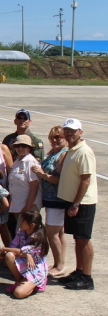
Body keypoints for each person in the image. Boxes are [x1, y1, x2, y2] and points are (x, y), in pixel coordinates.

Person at [56, 118, 97, 291]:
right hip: (72, 201)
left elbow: (86, 180)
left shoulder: (84, 151)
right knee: (77, 239)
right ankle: (79, 271)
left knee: (83, 239)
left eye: (73, 130)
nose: (69, 133)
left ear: (81, 132)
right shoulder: (71, 150)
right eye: (67, 130)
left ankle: (87, 278)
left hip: (82, 203)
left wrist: (76, 203)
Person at [31, 125, 69, 277]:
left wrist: (42, 175)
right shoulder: (54, 153)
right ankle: (60, 261)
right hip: (50, 199)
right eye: (52, 137)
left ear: (65, 138)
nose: (55, 140)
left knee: (51, 232)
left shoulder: (63, 155)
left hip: (57, 199)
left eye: (58, 137)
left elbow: (61, 179)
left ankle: (59, 265)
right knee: (59, 232)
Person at [0, 210, 49, 299]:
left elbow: (22, 251)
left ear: (32, 225)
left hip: (35, 268)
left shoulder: (38, 238)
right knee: (9, 256)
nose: (20, 223)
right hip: (25, 261)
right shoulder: (21, 232)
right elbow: (14, 246)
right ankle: (21, 281)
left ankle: (37, 283)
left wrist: (4, 249)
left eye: (23, 221)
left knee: (19, 293)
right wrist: (27, 255)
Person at [6, 135, 42, 239]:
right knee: (21, 236)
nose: (20, 148)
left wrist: (27, 208)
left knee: (26, 236)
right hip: (18, 206)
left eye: (24, 146)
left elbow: (34, 187)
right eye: (18, 146)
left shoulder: (30, 161)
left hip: (29, 207)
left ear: (30, 148)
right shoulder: (17, 161)